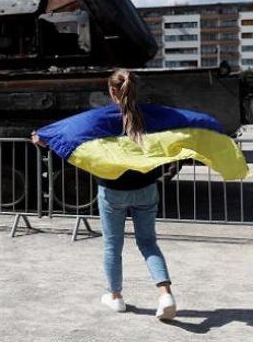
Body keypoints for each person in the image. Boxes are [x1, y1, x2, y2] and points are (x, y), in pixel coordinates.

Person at [32, 69, 177, 320]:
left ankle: (116, 297)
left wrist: (44, 137)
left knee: (112, 245)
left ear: (112, 91)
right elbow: (183, 125)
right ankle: (166, 295)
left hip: (113, 191)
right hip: (146, 188)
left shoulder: (99, 118)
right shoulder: (151, 115)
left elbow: (70, 132)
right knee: (148, 243)